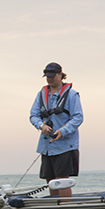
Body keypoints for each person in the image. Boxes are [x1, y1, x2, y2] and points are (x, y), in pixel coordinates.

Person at [29, 62, 84, 198]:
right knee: (50, 180)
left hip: (65, 146)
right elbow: (33, 115)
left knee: (62, 180)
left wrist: (62, 131)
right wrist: (42, 126)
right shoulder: (41, 94)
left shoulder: (72, 95)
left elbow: (78, 117)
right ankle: (53, 206)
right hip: (46, 146)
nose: (50, 79)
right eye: (47, 76)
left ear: (60, 75)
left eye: (53, 76)